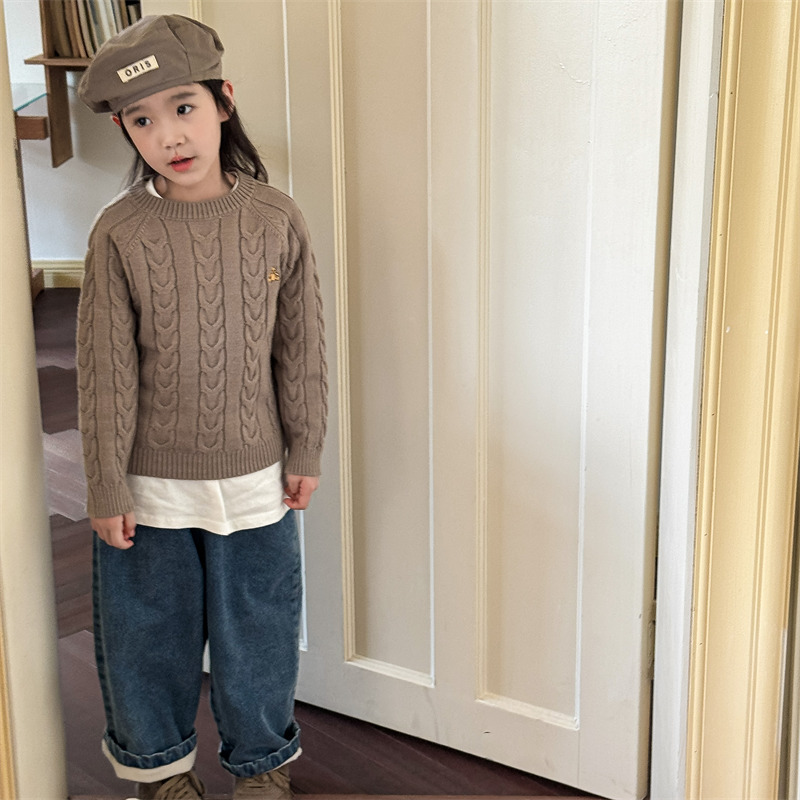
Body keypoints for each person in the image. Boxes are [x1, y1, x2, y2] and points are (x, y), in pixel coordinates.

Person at [75, 14, 327, 800]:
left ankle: (262, 768)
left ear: (223, 101)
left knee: (260, 635)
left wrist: (307, 447)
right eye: (143, 121)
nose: (169, 136)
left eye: (183, 107)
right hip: (148, 488)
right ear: (125, 131)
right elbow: (105, 372)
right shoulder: (119, 232)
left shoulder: (276, 217)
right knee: (148, 638)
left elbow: (301, 347)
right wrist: (105, 485)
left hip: (256, 480)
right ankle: (160, 776)